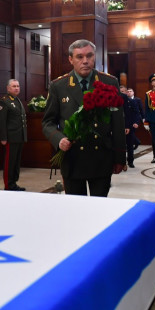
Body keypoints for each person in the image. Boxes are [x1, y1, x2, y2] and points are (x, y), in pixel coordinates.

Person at [42, 39, 125, 196]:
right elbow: (48, 122)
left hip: (101, 157)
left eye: (89, 56)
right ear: (71, 59)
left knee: (99, 206)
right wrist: (59, 139)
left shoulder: (109, 82)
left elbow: (118, 123)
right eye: (79, 57)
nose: (85, 61)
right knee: (76, 207)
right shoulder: (58, 86)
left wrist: (120, 157)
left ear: (94, 57)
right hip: (72, 158)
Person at [0, 79, 27, 191]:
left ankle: (13, 183)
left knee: (16, 162)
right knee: (10, 162)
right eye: (14, 86)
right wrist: (3, 138)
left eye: (18, 86)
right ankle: (8, 185)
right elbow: (1, 121)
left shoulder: (17, 100)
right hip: (11, 137)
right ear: (8, 88)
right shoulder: (4, 102)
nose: (16, 88)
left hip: (19, 137)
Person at [124, 88, 143, 168]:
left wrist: (136, 122)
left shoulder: (132, 101)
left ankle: (130, 161)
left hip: (130, 125)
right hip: (119, 126)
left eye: (123, 91)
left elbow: (137, 113)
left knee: (130, 145)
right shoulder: (116, 102)